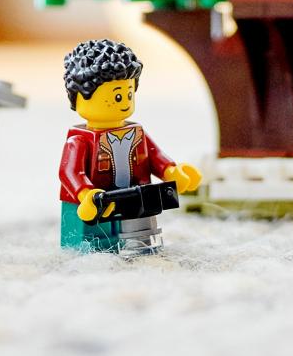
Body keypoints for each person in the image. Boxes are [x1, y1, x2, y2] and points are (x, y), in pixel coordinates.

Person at [57, 38, 200, 254]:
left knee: (141, 230)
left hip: (133, 195)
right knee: (93, 241)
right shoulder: (80, 140)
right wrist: (85, 194)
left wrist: (172, 171)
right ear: (79, 96)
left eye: (129, 94)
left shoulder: (135, 132)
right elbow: (69, 172)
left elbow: (154, 156)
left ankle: (139, 244)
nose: (124, 102)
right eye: (116, 96)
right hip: (93, 200)